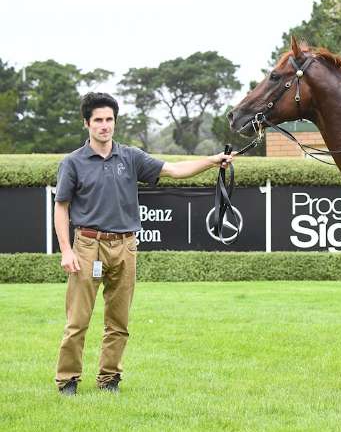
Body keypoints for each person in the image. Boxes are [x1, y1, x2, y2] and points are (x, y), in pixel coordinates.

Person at [54, 92, 233, 395]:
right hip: (87, 245)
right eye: (98, 120)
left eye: (109, 119)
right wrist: (66, 251)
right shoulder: (73, 162)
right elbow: (61, 207)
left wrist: (213, 161)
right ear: (86, 123)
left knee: (119, 321)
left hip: (126, 245)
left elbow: (174, 170)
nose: (104, 125)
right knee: (78, 321)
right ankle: (67, 379)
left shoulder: (131, 157)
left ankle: (109, 378)